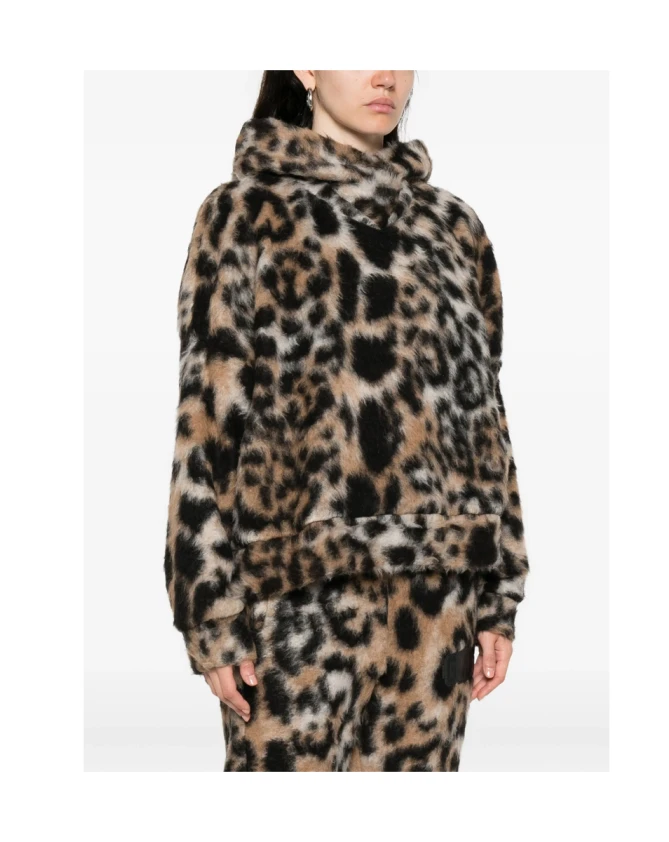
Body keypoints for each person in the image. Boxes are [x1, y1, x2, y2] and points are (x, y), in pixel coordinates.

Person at [163, 70, 530, 772]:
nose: (385, 74)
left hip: (437, 604)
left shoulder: (455, 228)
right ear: (305, 66)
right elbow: (205, 423)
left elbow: (486, 419)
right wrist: (210, 611)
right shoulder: (244, 214)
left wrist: (497, 595)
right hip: (293, 605)